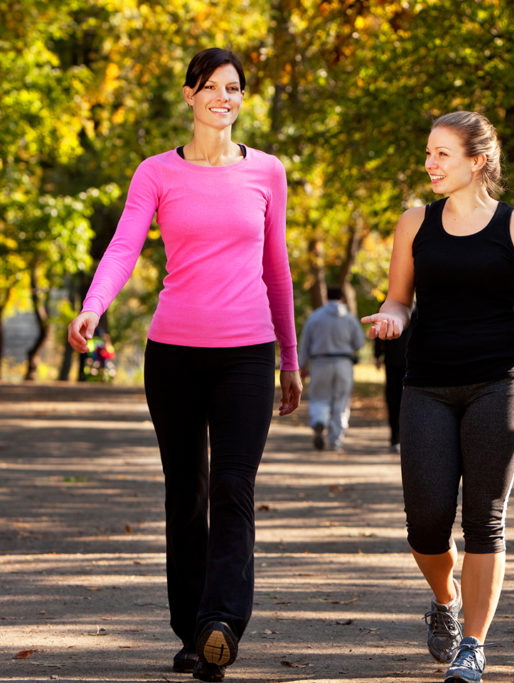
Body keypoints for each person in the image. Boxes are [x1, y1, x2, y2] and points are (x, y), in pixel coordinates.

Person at [66, 48, 302, 683]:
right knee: (186, 491)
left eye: (235, 88)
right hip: (172, 355)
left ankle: (221, 623)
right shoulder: (155, 173)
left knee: (233, 488)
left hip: (247, 355)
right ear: (189, 94)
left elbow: (275, 269)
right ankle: (191, 630)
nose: (225, 97)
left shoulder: (268, 173)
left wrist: (289, 356)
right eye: (213, 87)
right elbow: (123, 247)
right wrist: (94, 308)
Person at [362, 110, 514, 682]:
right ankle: (445, 598)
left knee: (485, 519)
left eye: (442, 154)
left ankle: (473, 647)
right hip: (427, 384)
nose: (429, 163)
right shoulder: (414, 224)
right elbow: (400, 299)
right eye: (428, 153)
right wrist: (389, 316)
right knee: (426, 524)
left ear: (476, 161)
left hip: (499, 383)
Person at [298, 285, 366, 452]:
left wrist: (302, 365)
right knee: (341, 402)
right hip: (343, 363)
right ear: (342, 298)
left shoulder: (315, 317)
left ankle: (319, 421)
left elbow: (305, 343)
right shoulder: (349, 318)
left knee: (319, 397)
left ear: (326, 296)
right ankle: (336, 441)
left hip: (320, 363)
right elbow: (359, 342)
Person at [372, 307, 411, 452]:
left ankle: (398, 437)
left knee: (396, 399)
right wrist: (377, 354)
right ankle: (397, 436)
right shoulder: (389, 305)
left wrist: (377, 355)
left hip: (398, 360)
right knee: (398, 399)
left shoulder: (389, 306)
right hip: (403, 361)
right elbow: (378, 332)